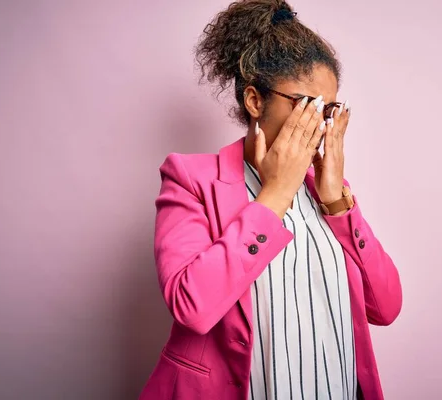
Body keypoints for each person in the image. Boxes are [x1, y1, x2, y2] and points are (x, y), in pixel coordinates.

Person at [139, 1, 402, 399]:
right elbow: (192, 307)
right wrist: (274, 194)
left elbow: (386, 307)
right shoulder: (191, 179)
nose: (319, 122)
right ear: (255, 101)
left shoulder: (330, 192)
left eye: (328, 109)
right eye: (304, 105)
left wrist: (335, 201)